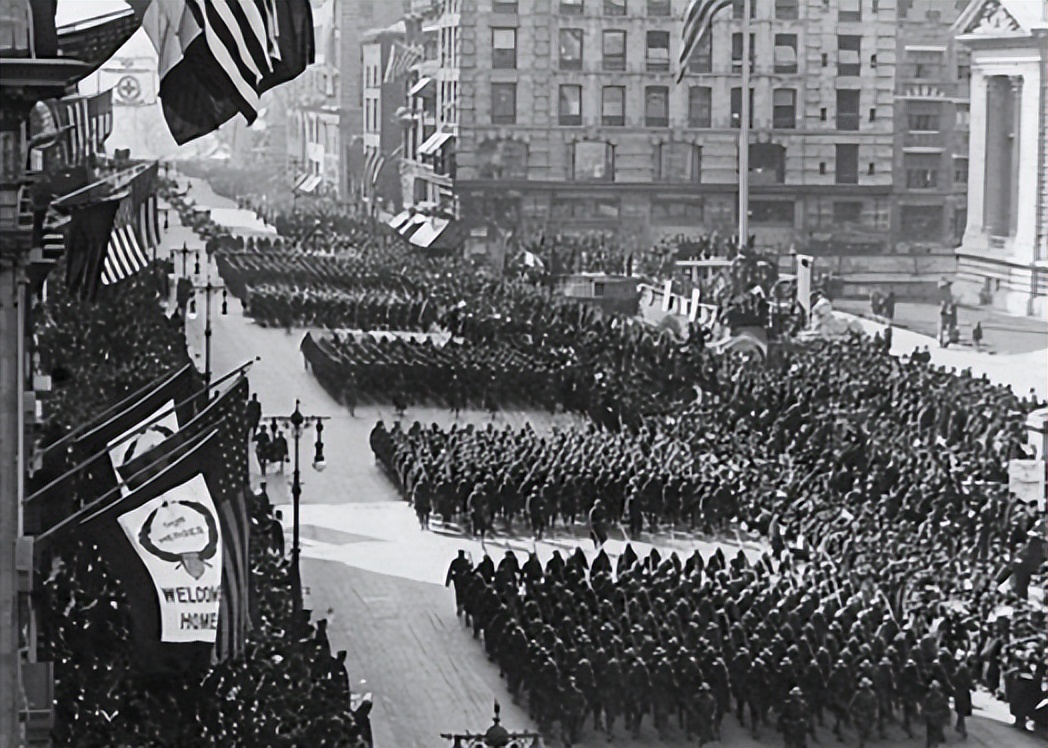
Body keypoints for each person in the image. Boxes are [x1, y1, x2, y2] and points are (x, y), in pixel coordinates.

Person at [922, 680, 951, 748]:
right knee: (932, 734)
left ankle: (933, 744)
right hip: (934, 717)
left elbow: (946, 708)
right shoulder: (937, 697)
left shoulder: (933, 697)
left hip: (935, 717)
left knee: (933, 734)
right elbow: (946, 709)